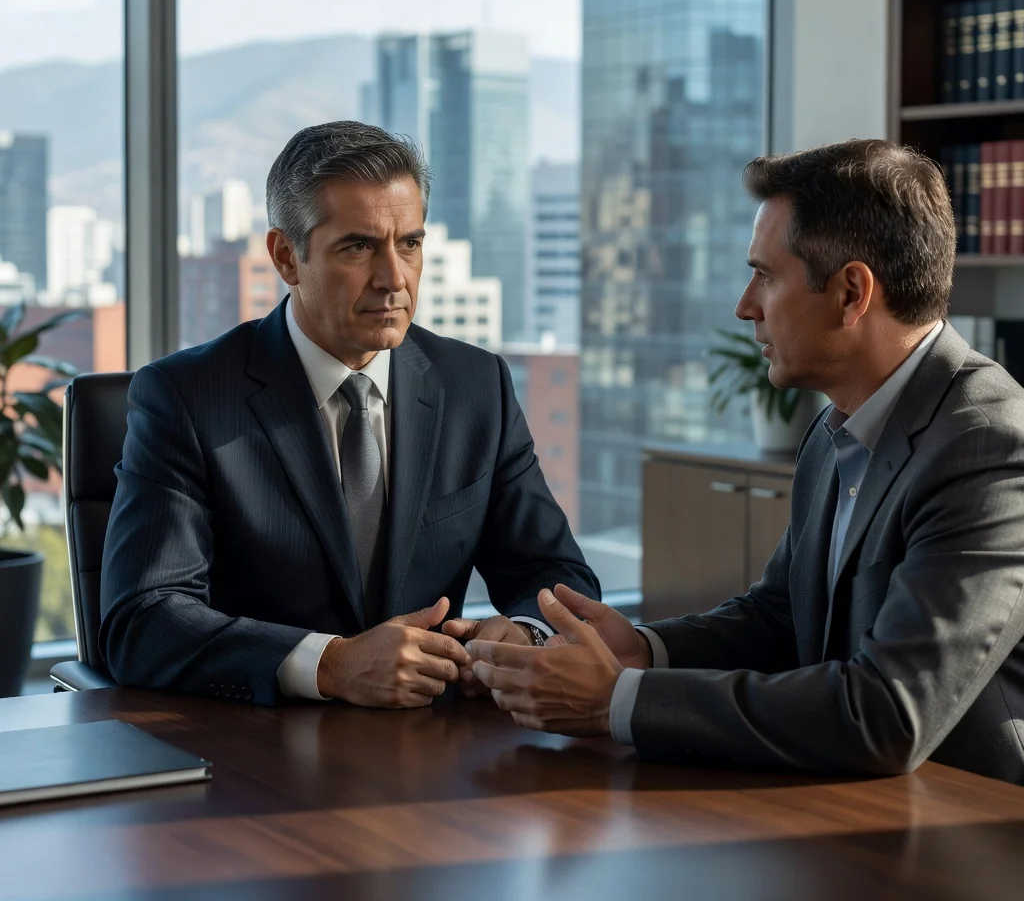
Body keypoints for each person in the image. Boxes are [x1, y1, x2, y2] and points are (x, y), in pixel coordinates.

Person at [467, 139, 1024, 784]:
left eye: (766, 275)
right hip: (850, 804)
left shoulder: (987, 446)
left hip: (969, 818)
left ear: (851, 293)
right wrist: (643, 650)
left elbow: (887, 712)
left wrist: (616, 701)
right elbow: (781, 616)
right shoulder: (837, 430)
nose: (745, 305)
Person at [100, 121, 600, 708]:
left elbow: (558, 577)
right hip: (257, 743)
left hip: (433, 740)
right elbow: (144, 619)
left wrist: (524, 634)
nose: (394, 279)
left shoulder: (475, 386)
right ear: (286, 257)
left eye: (409, 244)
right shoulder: (187, 397)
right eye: (358, 247)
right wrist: (331, 664)